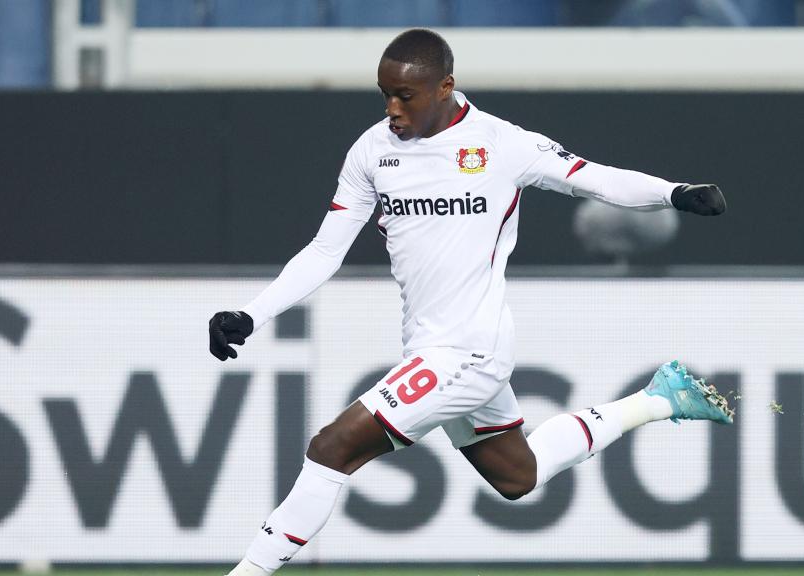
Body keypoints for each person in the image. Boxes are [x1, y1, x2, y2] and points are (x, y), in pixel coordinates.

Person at [209, 28, 733, 576]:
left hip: (469, 351)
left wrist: (673, 192)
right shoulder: (372, 151)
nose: (391, 108)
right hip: (430, 346)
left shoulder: (504, 145)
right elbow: (324, 250)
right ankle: (659, 400)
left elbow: (592, 179)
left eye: (404, 96)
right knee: (518, 477)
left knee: (331, 448)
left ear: (445, 87)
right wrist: (253, 312)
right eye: (383, 93)